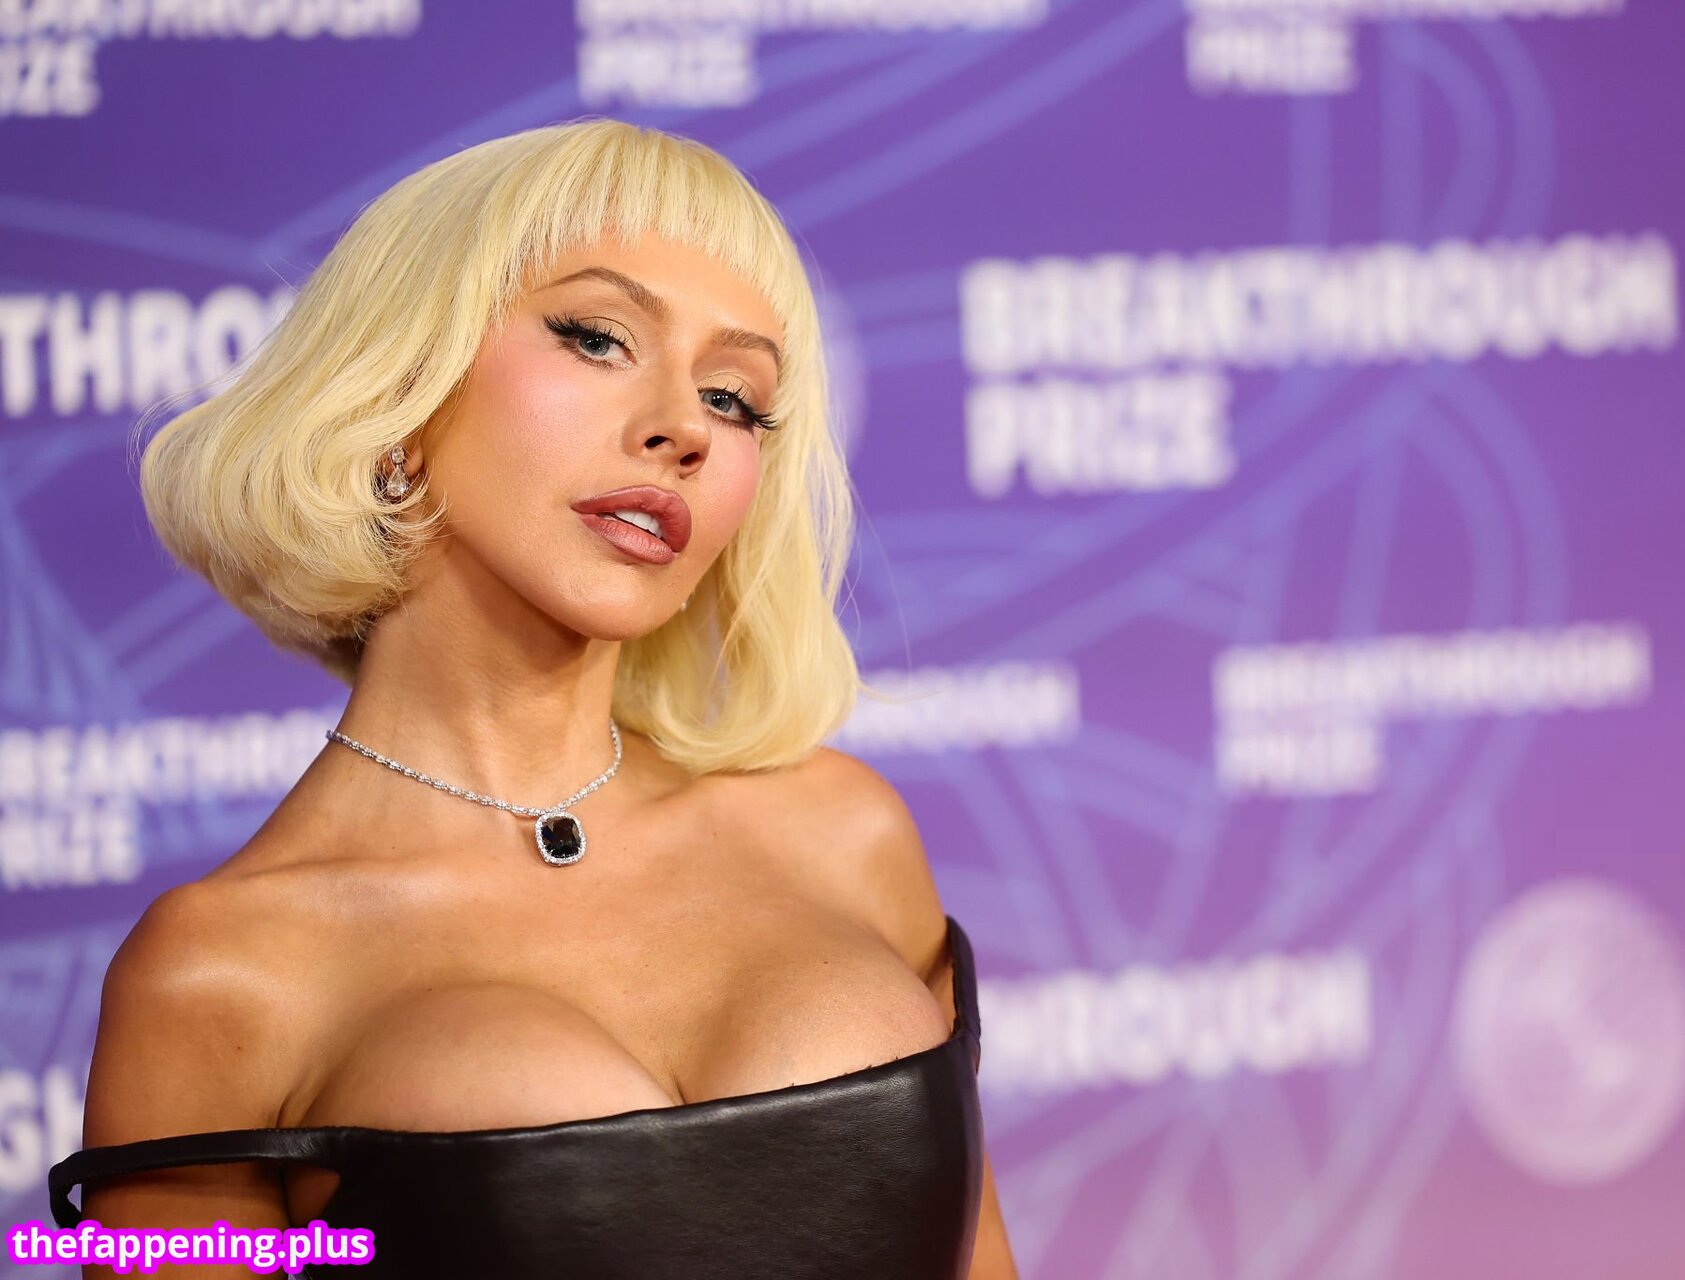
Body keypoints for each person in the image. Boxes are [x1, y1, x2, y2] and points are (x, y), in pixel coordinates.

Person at [46, 118, 1019, 1279]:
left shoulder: (845, 833)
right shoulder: (221, 969)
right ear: (404, 392)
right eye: (598, 338)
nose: (683, 429)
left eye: (734, 397)